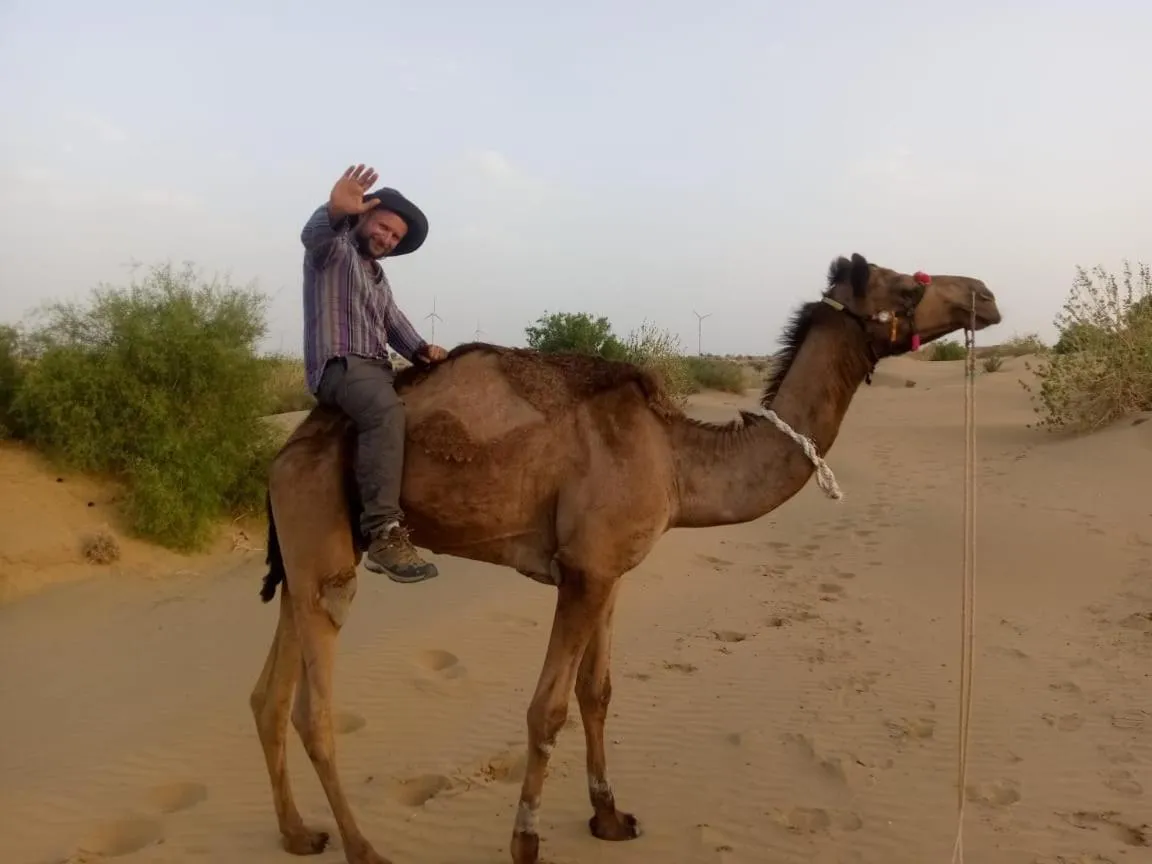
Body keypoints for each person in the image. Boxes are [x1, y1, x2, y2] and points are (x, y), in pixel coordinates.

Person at [300, 164, 447, 583]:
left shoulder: (378, 278)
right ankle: (383, 532)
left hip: (379, 368)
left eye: (394, 237)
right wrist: (333, 209)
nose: (385, 239)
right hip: (341, 367)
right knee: (386, 412)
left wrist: (423, 350)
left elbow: (395, 324)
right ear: (363, 217)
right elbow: (315, 236)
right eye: (382, 227)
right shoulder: (334, 252)